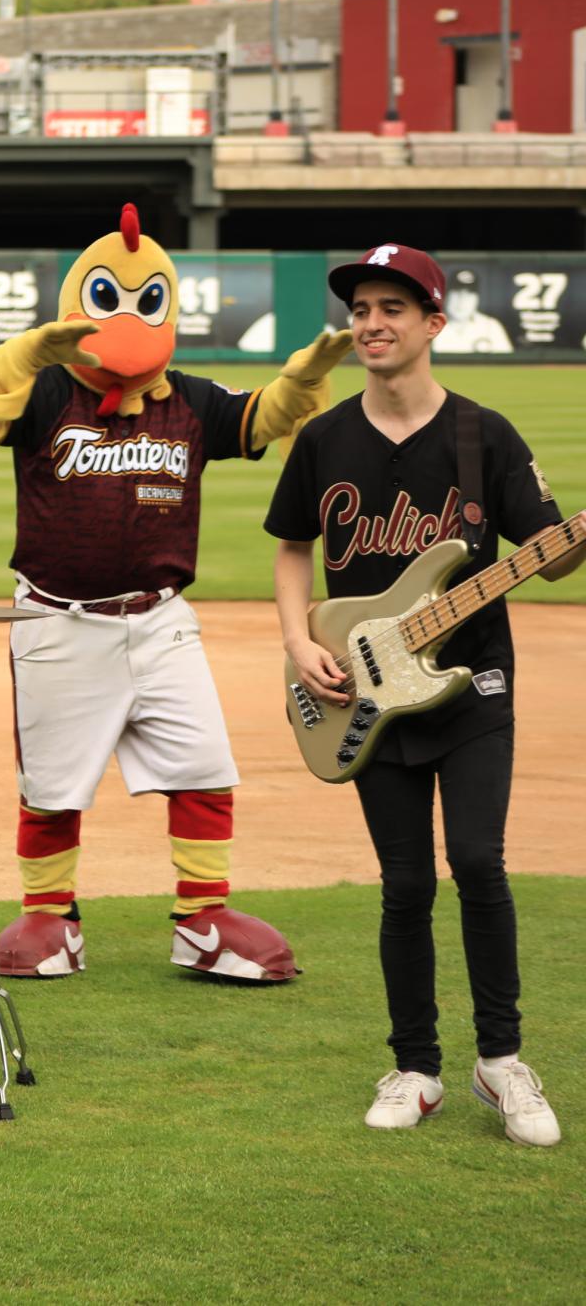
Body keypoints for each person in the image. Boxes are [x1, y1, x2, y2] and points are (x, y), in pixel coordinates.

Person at [0, 202, 349, 982]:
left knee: (203, 765)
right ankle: (51, 916)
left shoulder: (188, 400)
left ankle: (203, 916)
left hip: (160, 618)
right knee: (53, 783)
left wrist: (300, 382)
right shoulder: (44, 393)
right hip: (60, 620)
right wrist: (30, 350)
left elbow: (257, 419)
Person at [266, 243, 580, 1146]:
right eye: (362, 307)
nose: (372, 322)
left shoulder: (485, 434)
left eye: (393, 308)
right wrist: (297, 642)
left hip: (471, 683)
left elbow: (550, 554)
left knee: (478, 861)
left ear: (433, 323)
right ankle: (415, 1066)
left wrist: (572, 541)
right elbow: (292, 547)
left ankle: (502, 1062)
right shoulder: (324, 436)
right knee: (404, 883)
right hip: (365, 689)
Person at [435, 267, 514, 355]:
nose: (462, 301)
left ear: (477, 299)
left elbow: (508, 364)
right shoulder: (430, 325)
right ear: (446, 296)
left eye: (469, 294)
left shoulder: (491, 325)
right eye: (456, 293)